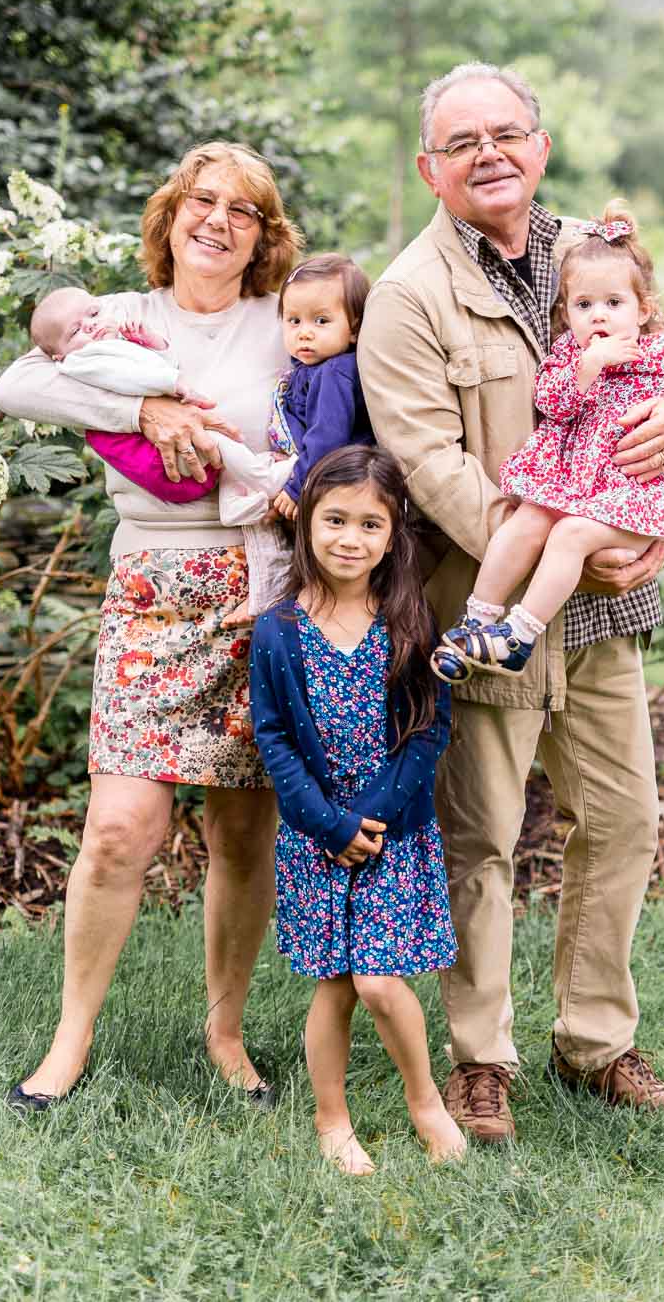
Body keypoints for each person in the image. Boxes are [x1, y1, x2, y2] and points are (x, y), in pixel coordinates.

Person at [357, 62, 664, 1145]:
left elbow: (662, 369)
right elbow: (430, 464)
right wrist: (558, 540)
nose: (488, 155)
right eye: (462, 143)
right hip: (489, 618)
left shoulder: (596, 256)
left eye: (505, 134)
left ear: (540, 147)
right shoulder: (411, 296)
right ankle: (482, 1061)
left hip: (604, 613)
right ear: (431, 168)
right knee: (483, 840)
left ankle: (598, 1042)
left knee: (625, 821)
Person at [0, 140, 301, 1111]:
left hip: (259, 588)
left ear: (263, 237)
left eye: (241, 210)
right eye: (200, 201)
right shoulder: (124, 317)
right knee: (122, 828)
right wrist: (147, 397)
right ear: (170, 217)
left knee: (244, 832)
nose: (217, 220)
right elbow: (17, 385)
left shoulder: (280, 325)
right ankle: (69, 1038)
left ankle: (226, 1032)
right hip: (152, 587)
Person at [249, 445, 464, 1174]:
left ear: (393, 532)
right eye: (335, 519)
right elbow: (274, 736)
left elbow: (431, 724)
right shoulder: (279, 630)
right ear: (307, 521)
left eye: (370, 525)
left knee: (378, 978)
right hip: (318, 836)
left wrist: (372, 815)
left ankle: (425, 1101)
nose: (350, 539)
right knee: (335, 984)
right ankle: (331, 1119)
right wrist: (329, 824)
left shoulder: (406, 618)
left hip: (393, 832)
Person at [432, 202, 664, 681]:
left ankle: (519, 636)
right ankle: (475, 621)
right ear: (567, 312)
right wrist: (589, 366)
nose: (598, 317)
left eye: (614, 304)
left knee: (570, 534)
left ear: (643, 308)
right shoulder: (570, 353)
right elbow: (553, 403)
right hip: (576, 483)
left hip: (636, 492)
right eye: (584, 306)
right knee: (529, 519)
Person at [30, 285, 297, 618]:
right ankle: (266, 478)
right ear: (59, 353)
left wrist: (147, 342)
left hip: (247, 555)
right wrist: (166, 394)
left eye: (94, 315)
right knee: (217, 441)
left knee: (220, 456)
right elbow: (129, 377)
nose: (90, 325)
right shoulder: (85, 358)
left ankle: (243, 502)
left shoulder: (285, 310)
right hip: (156, 524)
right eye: (75, 331)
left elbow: (149, 361)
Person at [265, 252, 375, 524]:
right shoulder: (309, 370)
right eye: (294, 320)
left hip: (337, 483)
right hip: (322, 480)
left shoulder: (335, 373)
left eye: (321, 321)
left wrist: (298, 485)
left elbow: (327, 436)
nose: (304, 332)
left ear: (354, 329)